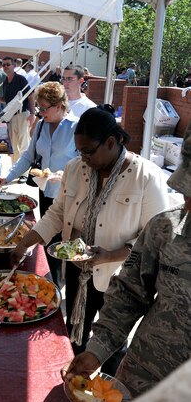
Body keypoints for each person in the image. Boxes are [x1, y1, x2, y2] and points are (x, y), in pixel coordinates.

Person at [11, 107, 169, 363]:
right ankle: (74, 376)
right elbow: (57, 213)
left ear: (110, 142)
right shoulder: (75, 169)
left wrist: (110, 256)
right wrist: (26, 243)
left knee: (112, 341)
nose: (83, 157)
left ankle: (106, 386)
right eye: (79, 151)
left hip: (119, 276)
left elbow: (154, 238)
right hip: (78, 267)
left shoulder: (146, 177)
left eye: (88, 151)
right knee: (76, 331)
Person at [63, 122, 191, 399]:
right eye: (187, 191)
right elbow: (130, 293)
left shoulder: (145, 176)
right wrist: (97, 349)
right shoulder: (166, 228)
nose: (187, 203)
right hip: (137, 386)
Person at [1, 82, 79, 285]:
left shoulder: (76, 127)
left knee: (66, 243)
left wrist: (65, 175)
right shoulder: (42, 125)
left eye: (44, 108)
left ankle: (65, 281)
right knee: (48, 240)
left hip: (70, 195)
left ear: (60, 105)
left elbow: (83, 164)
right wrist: (7, 177)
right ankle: (52, 281)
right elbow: (28, 156)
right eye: (39, 108)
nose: (41, 112)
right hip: (46, 193)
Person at [0, 56, 36, 172]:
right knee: (13, 144)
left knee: (23, 143)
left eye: (8, 64)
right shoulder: (5, 82)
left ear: (14, 66)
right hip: (10, 116)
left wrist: (32, 114)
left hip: (22, 114)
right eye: (4, 65)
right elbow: (8, 100)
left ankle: (24, 172)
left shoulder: (21, 79)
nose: (6, 67)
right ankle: (15, 169)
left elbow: (31, 96)